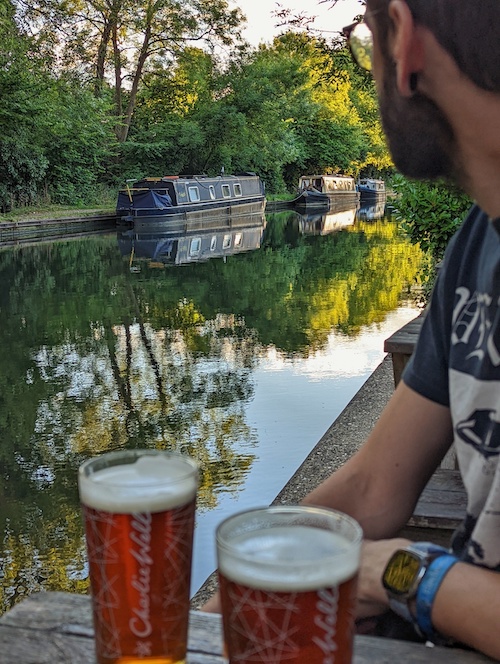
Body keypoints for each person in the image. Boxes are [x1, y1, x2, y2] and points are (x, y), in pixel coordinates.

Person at [204, 1, 500, 658]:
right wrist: (227, 600)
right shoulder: (478, 245)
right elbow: (371, 486)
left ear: (406, 45)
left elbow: (390, 562)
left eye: (370, 38)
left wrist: (406, 578)